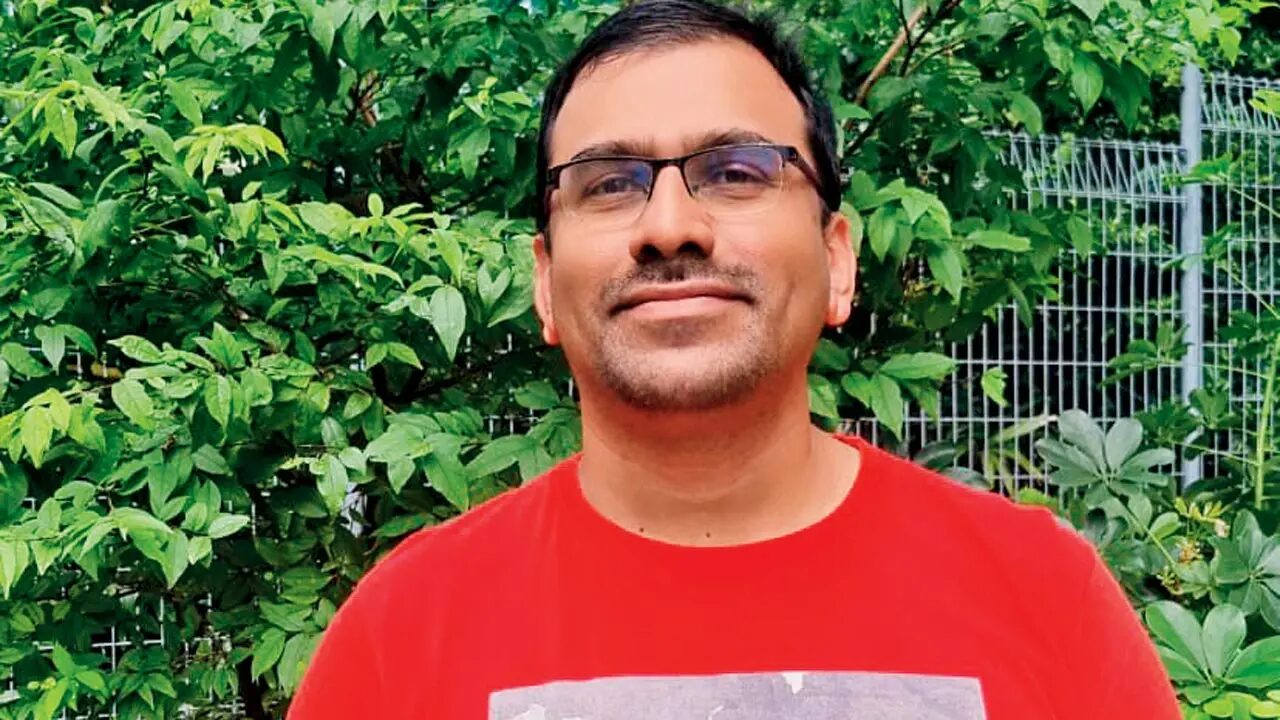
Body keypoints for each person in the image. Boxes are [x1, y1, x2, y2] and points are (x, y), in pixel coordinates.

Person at [288, 1, 1179, 717]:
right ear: (546, 283)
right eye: (609, 183)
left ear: (836, 261)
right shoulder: (400, 637)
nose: (670, 225)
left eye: (736, 171)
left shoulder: (1044, 599)